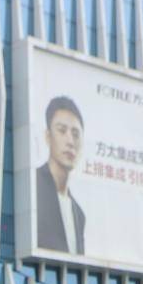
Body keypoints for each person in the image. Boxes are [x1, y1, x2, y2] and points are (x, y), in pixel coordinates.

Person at [34, 95, 87, 254]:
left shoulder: (79, 213)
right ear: (48, 136)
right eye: (62, 131)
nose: (70, 141)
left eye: (76, 134)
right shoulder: (33, 186)